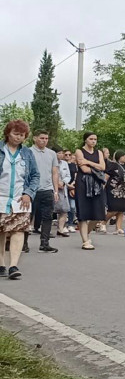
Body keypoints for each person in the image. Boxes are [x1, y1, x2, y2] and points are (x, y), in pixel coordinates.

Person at [0, 120, 39, 280]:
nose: (18, 138)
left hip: (20, 199)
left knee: (19, 229)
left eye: (22, 135)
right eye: (16, 134)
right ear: (8, 133)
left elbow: (35, 175)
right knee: (1, 231)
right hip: (1, 197)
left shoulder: (27, 153)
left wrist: (29, 193)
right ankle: (1, 263)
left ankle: (13, 265)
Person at [25, 130, 60, 253]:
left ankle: (44, 243)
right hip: (31, 190)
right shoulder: (28, 152)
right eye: (42, 138)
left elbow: (55, 172)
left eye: (46, 138)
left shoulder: (51, 154)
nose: (44, 140)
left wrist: (55, 191)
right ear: (35, 138)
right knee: (27, 217)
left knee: (48, 217)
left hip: (47, 189)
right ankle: (23, 243)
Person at [75, 132, 106, 250]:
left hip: (97, 184)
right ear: (85, 140)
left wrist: (89, 162)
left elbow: (103, 167)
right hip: (83, 183)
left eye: (95, 139)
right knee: (83, 213)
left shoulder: (99, 152)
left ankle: (86, 234)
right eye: (91, 139)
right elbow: (84, 169)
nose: (93, 141)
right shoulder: (79, 151)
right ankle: (85, 241)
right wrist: (96, 167)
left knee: (98, 214)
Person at [105, 150, 125, 235]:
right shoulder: (113, 165)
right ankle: (102, 222)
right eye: (123, 156)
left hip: (123, 190)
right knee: (113, 209)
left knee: (122, 209)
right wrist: (103, 186)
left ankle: (118, 227)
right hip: (114, 189)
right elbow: (106, 176)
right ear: (119, 157)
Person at [53, 146, 72, 237]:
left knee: (64, 210)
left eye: (61, 153)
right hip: (52, 189)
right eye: (58, 153)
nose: (60, 155)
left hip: (62, 189)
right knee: (50, 210)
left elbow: (68, 175)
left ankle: (60, 229)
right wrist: (56, 183)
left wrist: (64, 182)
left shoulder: (64, 163)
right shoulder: (50, 163)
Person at [65, 150, 78, 232]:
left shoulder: (73, 165)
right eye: (66, 154)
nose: (68, 156)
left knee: (72, 207)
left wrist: (73, 185)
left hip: (72, 187)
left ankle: (70, 224)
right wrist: (66, 184)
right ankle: (62, 226)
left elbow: (76, 175)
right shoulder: (60, 164)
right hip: (63, 186)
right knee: (63, 208)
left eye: (69, 154)